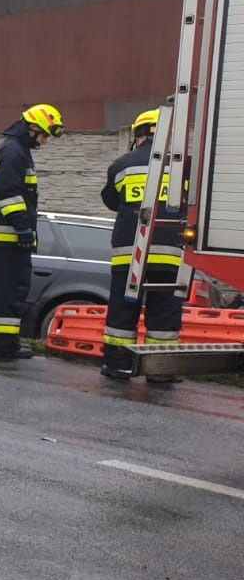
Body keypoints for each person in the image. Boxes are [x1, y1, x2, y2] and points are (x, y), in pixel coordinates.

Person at [100, 109, 186, 383]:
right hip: (170, 257)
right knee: (165, 313)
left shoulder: (121, 166)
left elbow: (111, 201)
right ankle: (160, 370)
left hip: (130, 255)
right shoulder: (183, 168)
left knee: (122, 313)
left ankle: (118, 366)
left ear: (138, 135)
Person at [0, 103, 64, 361]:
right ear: (32, 128)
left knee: (12, 292)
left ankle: (6, 344)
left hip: (9, 236)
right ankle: (3, 348)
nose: (45, 141)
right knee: (8, 293)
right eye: (44, 135)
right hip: (9, 236)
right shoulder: (14, 152)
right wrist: (23, 227)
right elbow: (8, 194)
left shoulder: (17, 150)